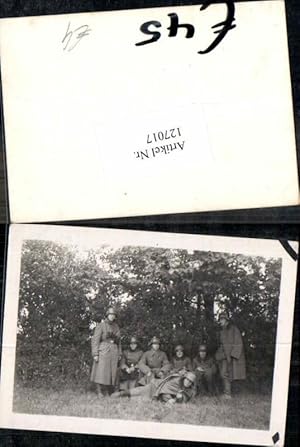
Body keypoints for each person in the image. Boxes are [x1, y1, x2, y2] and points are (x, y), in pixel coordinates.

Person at [112, 371, 196, 406]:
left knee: (138, 400)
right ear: (184, 378)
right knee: (137, 391)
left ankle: (124, 398)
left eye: (190, 382)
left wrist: (178, 399)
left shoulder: (189, 390)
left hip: (156, 398)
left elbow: (184, 399)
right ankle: (121, 394)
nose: (188, 382)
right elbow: (164, 392)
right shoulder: (176, 381)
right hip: (154, 387)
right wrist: (170, 399)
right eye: (187, 380)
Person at [90, 307, 121, 397]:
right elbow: (95, 340)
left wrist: (119, 353)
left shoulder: (116, 326)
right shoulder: (101, 325)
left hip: (114, 350)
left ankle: (107, 390)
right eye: (110, 315)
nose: (112, 317)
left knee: (111, 372)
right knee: (101, 370)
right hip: (103, 349)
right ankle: (99, 390)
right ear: (107, 315)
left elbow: (119, 342)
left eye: (114, 315)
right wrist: (95, 353)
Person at [215, 311, 246, 399]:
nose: (220, 321)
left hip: (231, 357)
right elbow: (221, 345)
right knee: (224, 374)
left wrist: (233, 356)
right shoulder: (221, 331)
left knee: (226, 374)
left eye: (222, 319)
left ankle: (227, 394)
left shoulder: (234, 329)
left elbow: (238, 343)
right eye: (220, 320)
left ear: (226, 320)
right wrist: (219, 355)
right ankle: (227, 393)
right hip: (224, 356)